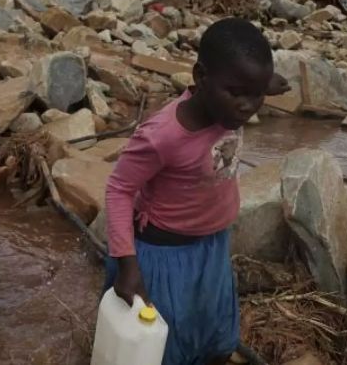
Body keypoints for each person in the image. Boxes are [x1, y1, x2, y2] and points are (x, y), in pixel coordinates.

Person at [104, 18, 274, 365]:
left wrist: (266, 85)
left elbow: (256, 84)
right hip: (164, 256)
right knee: (165, 347)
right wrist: (127, 263)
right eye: (236, 93)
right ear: (200, 77)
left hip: (212, 246)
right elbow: (119, 189)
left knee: (215, 338)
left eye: (256, 94)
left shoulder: (230, 109)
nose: (247, 106)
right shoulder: (163, 135)